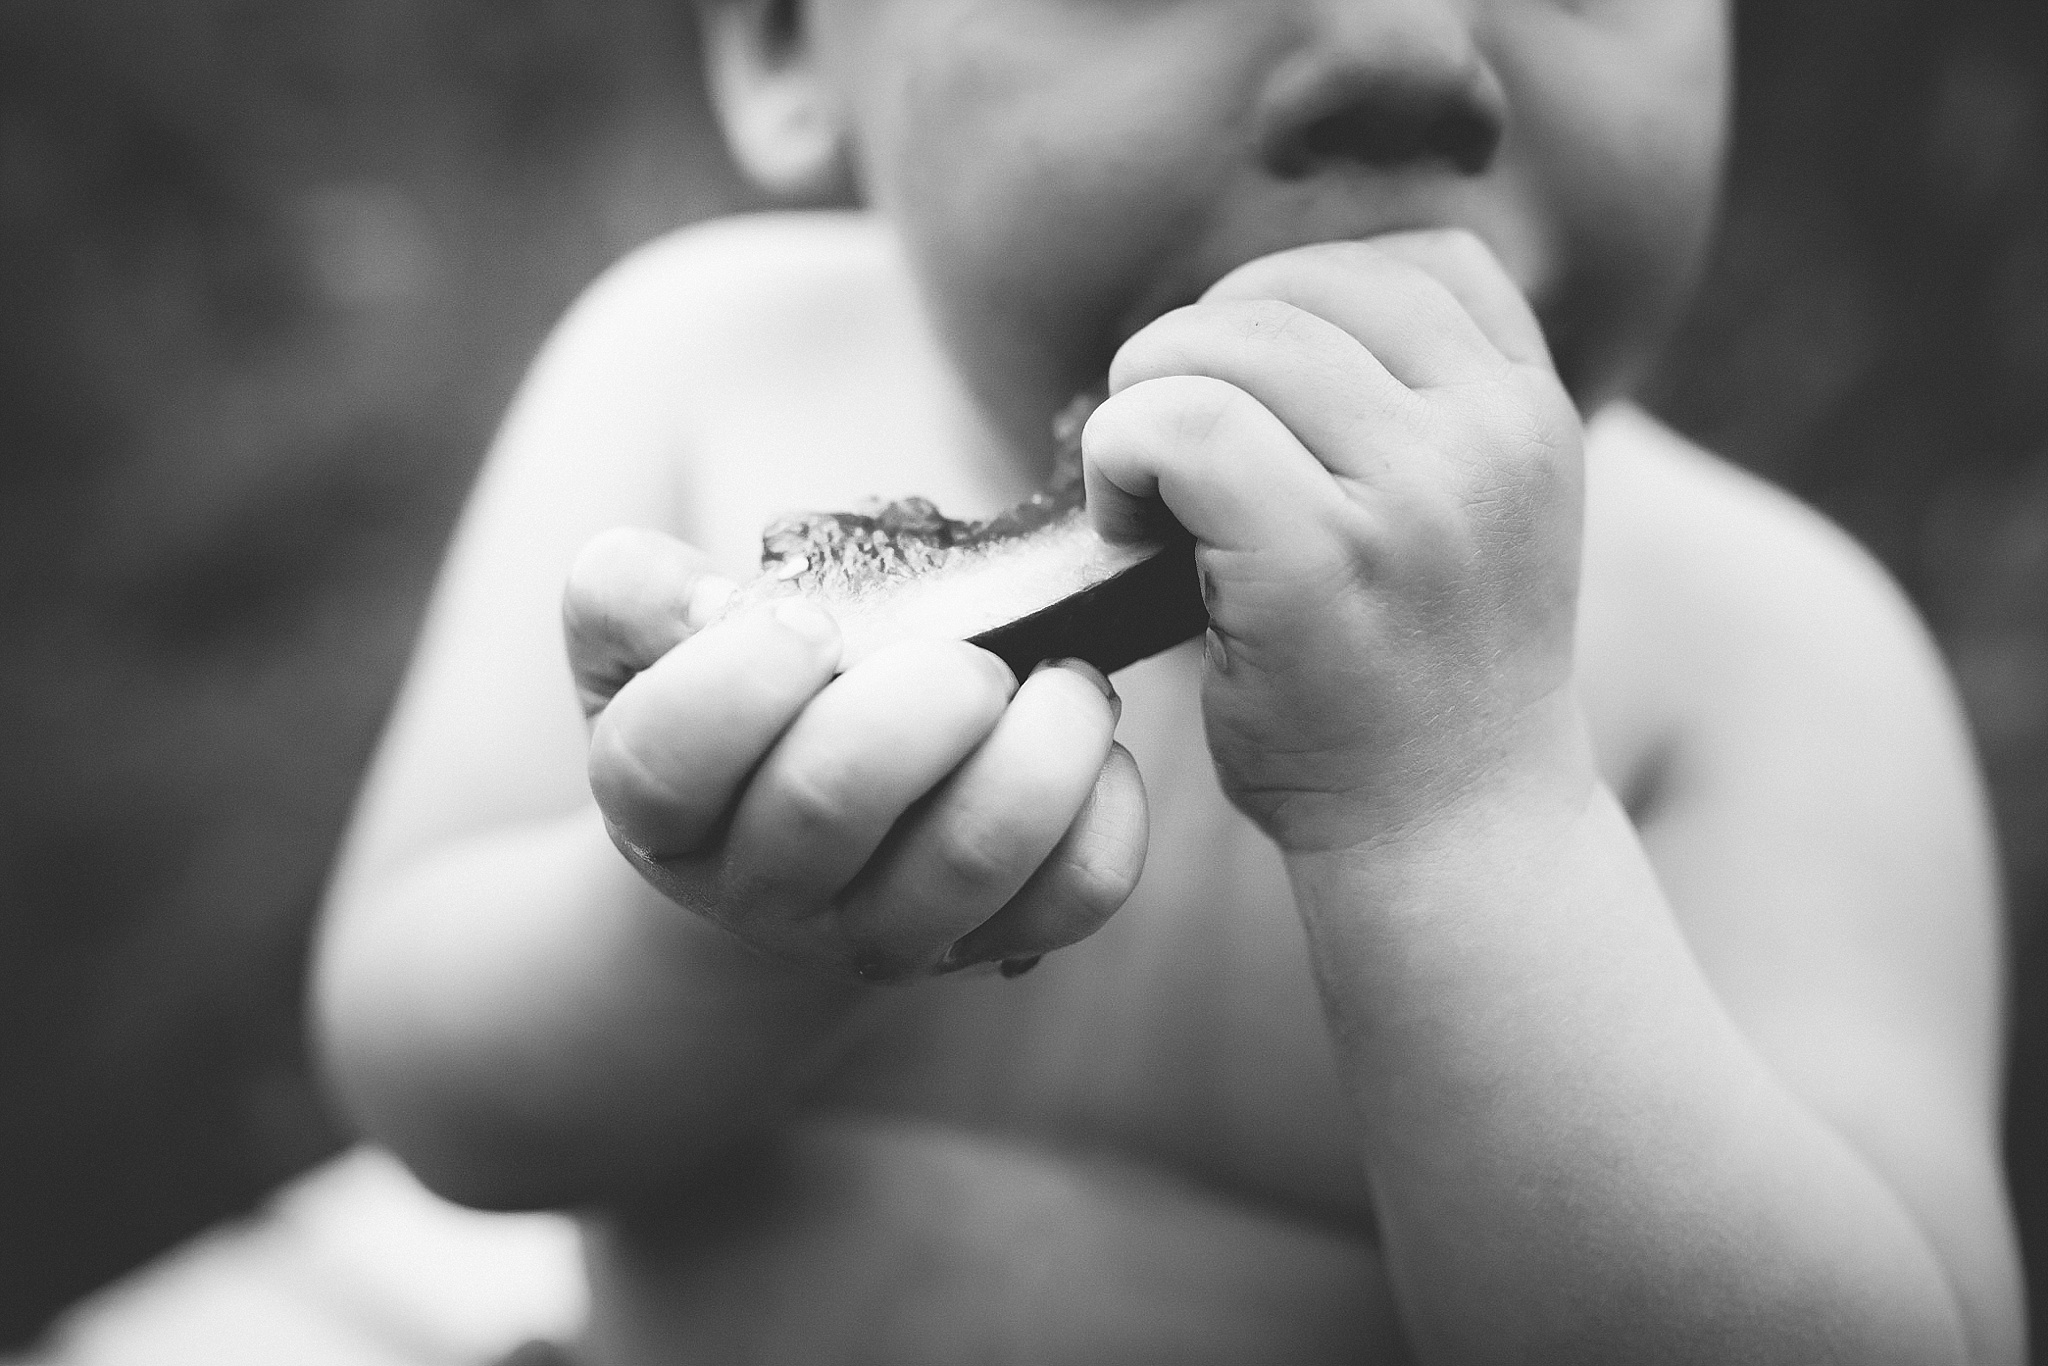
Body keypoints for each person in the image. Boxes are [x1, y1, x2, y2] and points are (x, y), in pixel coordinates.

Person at [311, 1, 2027, 1361]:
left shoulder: (1773, 645)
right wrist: (715, 917)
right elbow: (414, 1073)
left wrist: (1476, 810)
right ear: (782, 38)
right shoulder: (693, 368)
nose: (1406, 46)